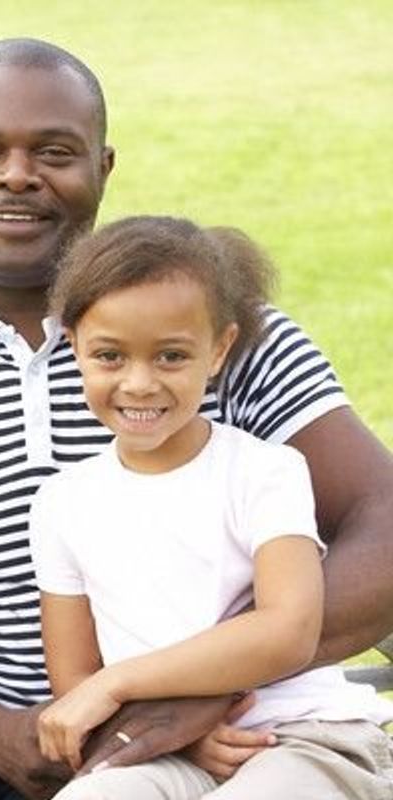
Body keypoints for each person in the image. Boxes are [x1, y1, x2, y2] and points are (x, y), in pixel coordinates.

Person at [0, 38, 393, 800]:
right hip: (26, 764)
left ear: (103, 167)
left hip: (258, 739)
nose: (16, 175)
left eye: (55, 151)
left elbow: (384, 520)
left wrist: (194, 695)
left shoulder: (226, 332)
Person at [30, 215, 393, 799]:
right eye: (110, 356)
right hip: (164, 750)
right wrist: (174, 734)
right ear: (72, 345)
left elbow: (288, 630)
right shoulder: (62, 504)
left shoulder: (264, 472)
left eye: (171, 356)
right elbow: (75, 677)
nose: (140, 383)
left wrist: (121, 682)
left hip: (303, 738)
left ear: (219, 349)